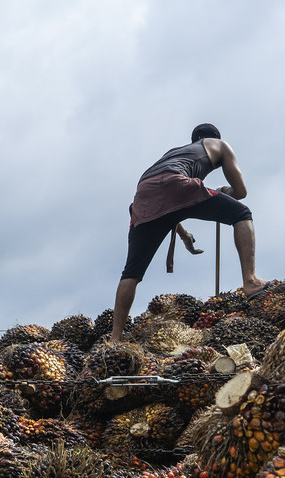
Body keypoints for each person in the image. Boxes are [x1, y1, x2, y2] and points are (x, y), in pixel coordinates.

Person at [111, 123, 270, 341]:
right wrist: (225, 191)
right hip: (176, 183)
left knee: (131, 273)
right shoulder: (219, 145)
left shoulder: (174, 154)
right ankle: (250, 281)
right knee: (242, 214)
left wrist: (185, 237)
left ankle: (115, 338)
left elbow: (168, 206)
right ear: (212, 138)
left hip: (143, 195)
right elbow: (241, 192)